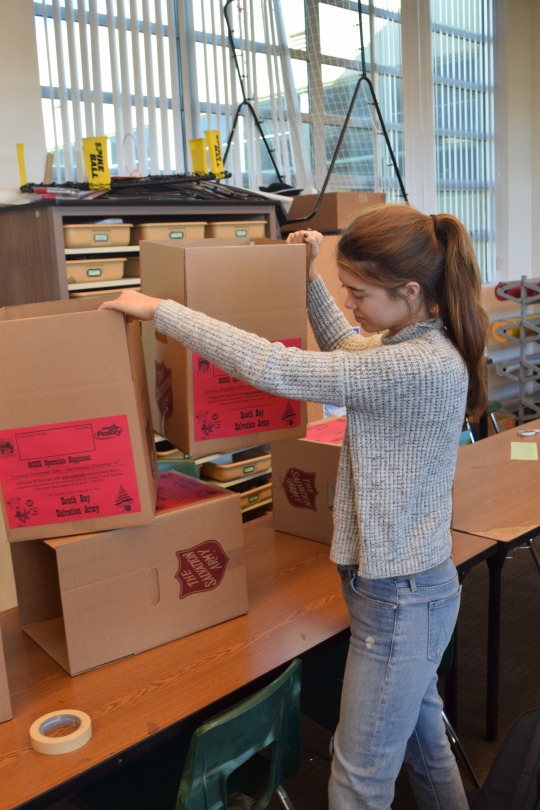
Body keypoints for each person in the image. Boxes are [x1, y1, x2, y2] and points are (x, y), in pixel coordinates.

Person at [100, 203, 489, 809]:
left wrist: (164, 313)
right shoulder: (415, 343)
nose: (352, 304)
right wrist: (307, 279)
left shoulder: (414, 366)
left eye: (358, 292)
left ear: (410, 291)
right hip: (405, 588)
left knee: (357, 780)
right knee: (422, 739)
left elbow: (279, 367)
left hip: (402, 597)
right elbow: (346, 347)